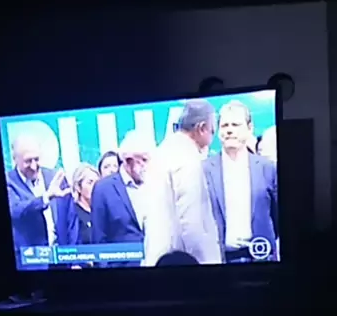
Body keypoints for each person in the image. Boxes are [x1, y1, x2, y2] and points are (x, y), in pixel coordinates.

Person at [144, 99, 222, 266]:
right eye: (212, 131)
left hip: (159, 258)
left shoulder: (161, 151)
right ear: (201, 128)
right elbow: (192, 221)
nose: (213, 137)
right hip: (183, 263)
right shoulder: (187, 158)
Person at [204, 100, 278, 263]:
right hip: (220, 260)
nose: (229, 130)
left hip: (261, 258)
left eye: (235, 125)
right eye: (225, 125)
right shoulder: (204, 170)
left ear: (250, 128)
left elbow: (278, 215)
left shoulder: (267, 168)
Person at [6, 134, 77, 252]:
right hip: (30, 258)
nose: (34, 166)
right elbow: (16, 210)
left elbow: (71, 219)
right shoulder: (9, 182)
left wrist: (74, 256)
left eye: (36, 159)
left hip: (62, 255)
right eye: (28, 161)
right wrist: (45, 198)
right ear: (15, 159)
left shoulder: (55, 178)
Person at [91, 130, 151, 245]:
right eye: (143, 160)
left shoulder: (154, 184)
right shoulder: (103, 189)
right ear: (128, 160)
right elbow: (99, 237)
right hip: (123, 256)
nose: (147, 165)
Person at [71, 163, 100, 244]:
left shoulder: (101, 211)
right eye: (90, 182)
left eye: (97, 183)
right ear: (78, 187)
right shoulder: (72, 212)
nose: (95, 186)